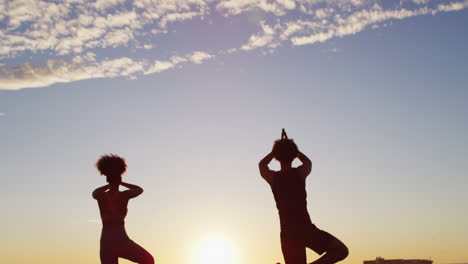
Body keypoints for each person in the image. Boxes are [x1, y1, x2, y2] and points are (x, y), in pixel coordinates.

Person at [259, 129, 348, 264]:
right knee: (341, 250)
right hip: (306, 229)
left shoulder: (274, 179)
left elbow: (262, 165)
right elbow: (307, 162)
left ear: (277, 157)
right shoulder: (300, 173)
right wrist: (294, 149)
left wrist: (276, 150)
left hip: (288, 234)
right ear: (293, 155)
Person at [92, 154, 154, 264]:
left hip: (106, 241)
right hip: (120, 240)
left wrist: (110, 184)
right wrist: (120, 183)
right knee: (148, 260)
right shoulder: (124, 195)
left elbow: (95, 192)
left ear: (107, 179)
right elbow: (139, 189)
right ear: (119, 178)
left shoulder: (101, 195)